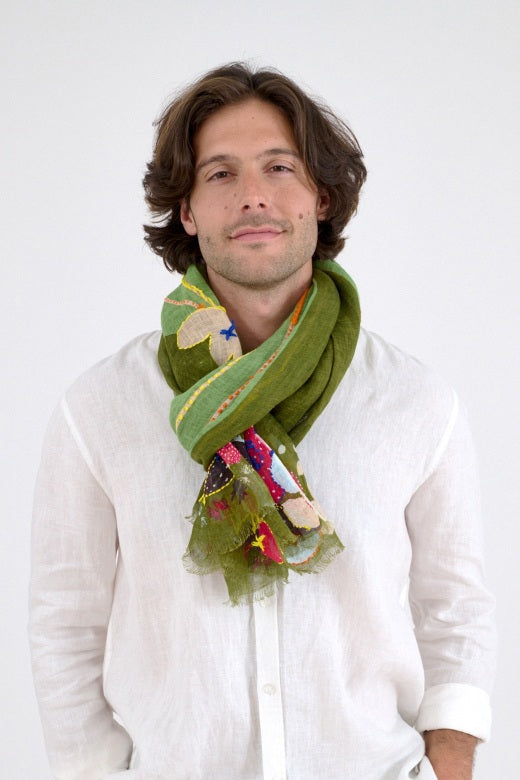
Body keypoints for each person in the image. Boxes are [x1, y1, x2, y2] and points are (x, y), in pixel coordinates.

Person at [29, 63, 495, 780]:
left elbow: (454, 607)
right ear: (186, 211)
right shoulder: (102, 408)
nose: (252, 196)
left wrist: (452, 766)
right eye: (219, 174)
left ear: (322, 197)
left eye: (280, 167)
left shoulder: (413, 401)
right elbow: (66, 621)